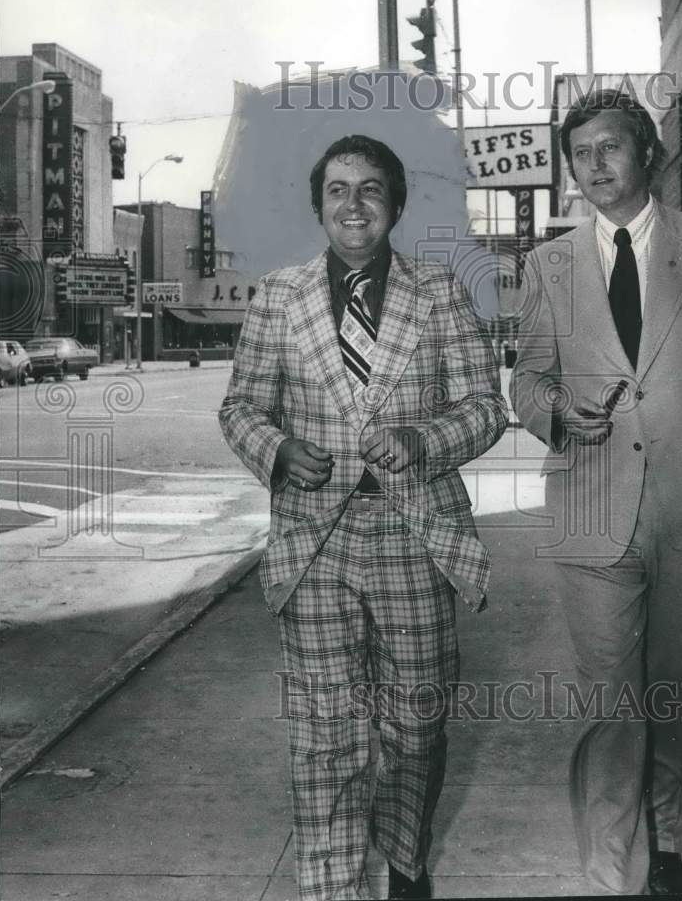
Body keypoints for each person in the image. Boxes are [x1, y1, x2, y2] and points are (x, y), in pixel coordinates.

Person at [219, 134, 507, 901]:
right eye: (339, 189)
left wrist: (423, 438)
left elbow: (487, 408)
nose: (354, 204)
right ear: (318, 204)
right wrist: (276, 450)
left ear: (397, 205)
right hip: (315, 540)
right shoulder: (278, 296)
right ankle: (335, 889)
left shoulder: (440, 292)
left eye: (371, 189)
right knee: (325, 738)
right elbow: (240, 405)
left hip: (415, 534)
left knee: (416, 727)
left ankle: (406, 856)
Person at [511, 90, 682, 895]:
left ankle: (670, 835)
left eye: (610, 147)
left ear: (648, 155)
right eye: (580, 153)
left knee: (678, 684)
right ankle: (607, 856)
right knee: (609, 695)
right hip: (592, 508)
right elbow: (526, 382)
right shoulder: (547, 266)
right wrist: (556, 409)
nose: (594, 165)